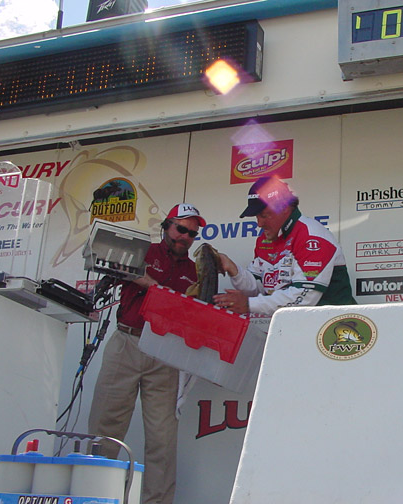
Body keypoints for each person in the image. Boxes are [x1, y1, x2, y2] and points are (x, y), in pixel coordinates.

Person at [88, 203, 206, 504]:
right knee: (105, 429)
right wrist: (138, 276)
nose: (186, 237)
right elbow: (99, 258)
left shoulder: (194, 270)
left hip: (166, 352)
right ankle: (95, 497)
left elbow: (196, 316)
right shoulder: (144, 252)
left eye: (192, 234)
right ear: (166, 226)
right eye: (181, 229)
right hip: (127, 342)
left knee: (162, 439)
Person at [213, 176, 356, 315]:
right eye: (257, 216)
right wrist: (233, 269)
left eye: (264, 215)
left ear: (284, 207)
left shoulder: (312, 237)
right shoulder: (265, 240)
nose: (259, 224)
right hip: (296, 325)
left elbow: (304, 298)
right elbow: (257, 288)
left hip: (334, 325)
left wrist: (249, 305)